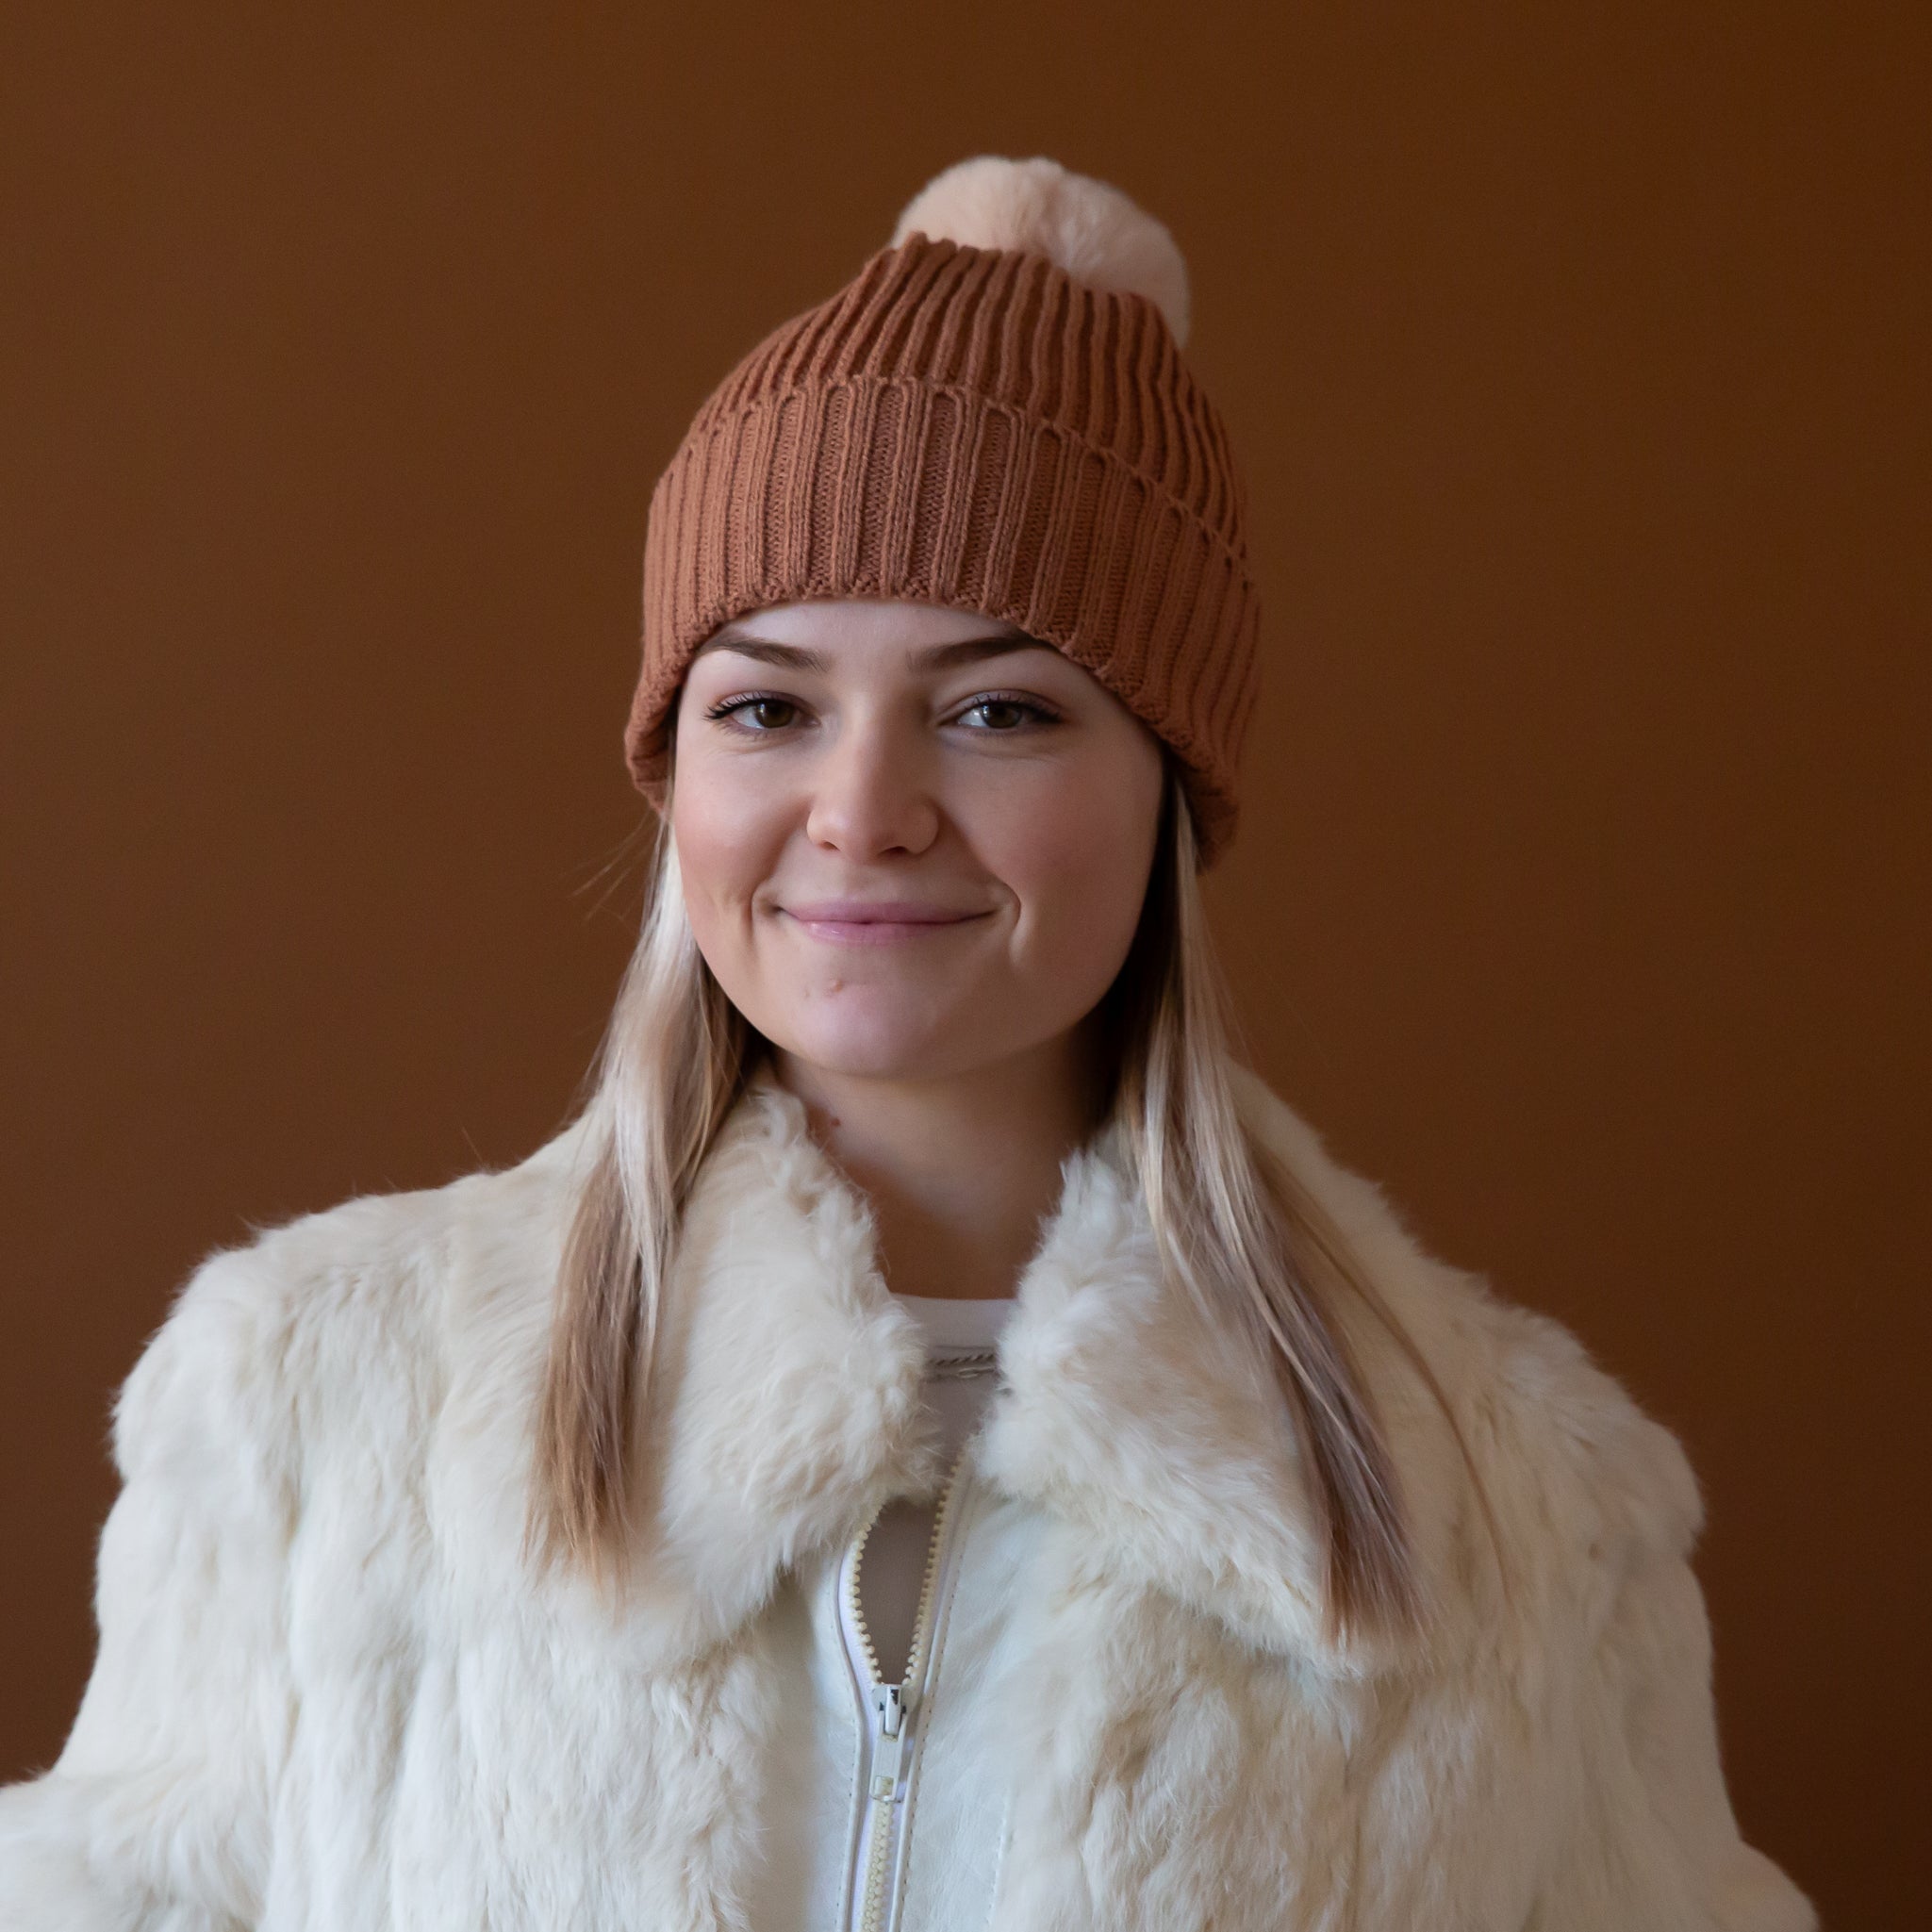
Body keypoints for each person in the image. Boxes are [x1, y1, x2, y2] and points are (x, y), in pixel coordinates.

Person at [0, 155, 1814, 1932]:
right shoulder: (310, 1404)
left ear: (1166, 789)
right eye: (768, 702)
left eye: (1000, 706)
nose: (861, 809)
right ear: (678, 775)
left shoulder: (1530, 1515)